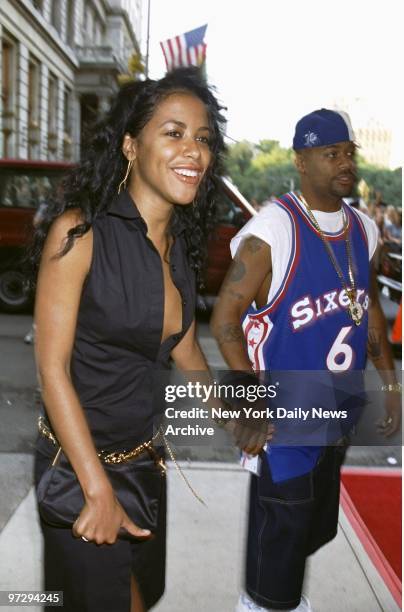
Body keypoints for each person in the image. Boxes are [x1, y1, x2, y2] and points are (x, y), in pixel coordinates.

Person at [30, 67, 226, 612]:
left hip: (144, 464)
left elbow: (185, 350)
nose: (194, 150)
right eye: (174, 132)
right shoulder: (79, 233)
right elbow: (51, 370)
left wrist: (241, 413)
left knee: (136, 594)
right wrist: (96, 489)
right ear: (130, 146)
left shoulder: (179, 250)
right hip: (78, 467)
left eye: (203, 138)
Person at [211, 109, 401, 611]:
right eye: (330, 153)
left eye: (348, 153)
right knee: (281, 536)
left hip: (337, 408)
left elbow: (370, 314)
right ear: (301, 161)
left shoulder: (363, 228)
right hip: (286, 419)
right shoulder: (273, 228)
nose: (344, 163)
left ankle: (277, 598)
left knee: (313, 529)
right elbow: (224, 319)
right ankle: (267, 604)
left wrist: (391, 382)